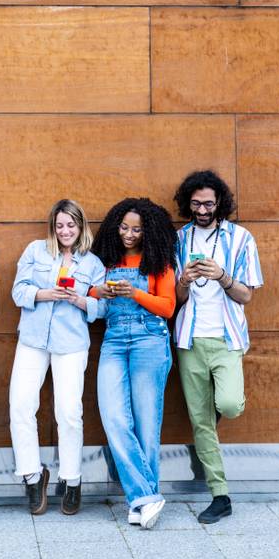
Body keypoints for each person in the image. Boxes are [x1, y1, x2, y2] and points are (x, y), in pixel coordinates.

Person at [173, 170, 263, 524]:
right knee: (200, 423)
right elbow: (177, 299)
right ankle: (219, 494)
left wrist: (222, 276)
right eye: (195, 203)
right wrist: (185, 280)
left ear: (220, 202)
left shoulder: (241, 239)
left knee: (228, 404)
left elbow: (247, 295)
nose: (202, 209)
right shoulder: (180, 239)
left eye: (208, 203)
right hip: (188, 340)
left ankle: (211, 416)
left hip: (226, 339)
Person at [9, 199, 105, 516]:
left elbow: (102, 307)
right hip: (33, 338)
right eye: (60, 225)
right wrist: (44, 293)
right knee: (21, 405)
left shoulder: (92, 264)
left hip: (72, 343)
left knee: (68, 411)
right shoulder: (35, 251)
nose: (65, 231)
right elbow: (18, 291)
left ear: (81, 227)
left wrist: (79, 300)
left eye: (71, 225)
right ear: (53, 226)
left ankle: (72, 480)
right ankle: (33, 477)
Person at [88, 198, 177, 529]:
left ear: (148, 230)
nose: (128, 234)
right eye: (124, 227)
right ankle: (146, 496)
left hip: (149, 340)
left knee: (146, 425)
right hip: (113, 340)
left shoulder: (158, 260)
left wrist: (133, 293)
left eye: (136, 229)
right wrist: (100, 291)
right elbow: (88, 291)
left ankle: (141, 500)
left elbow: (168, 306)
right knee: (113, 418)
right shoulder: (106, 259)